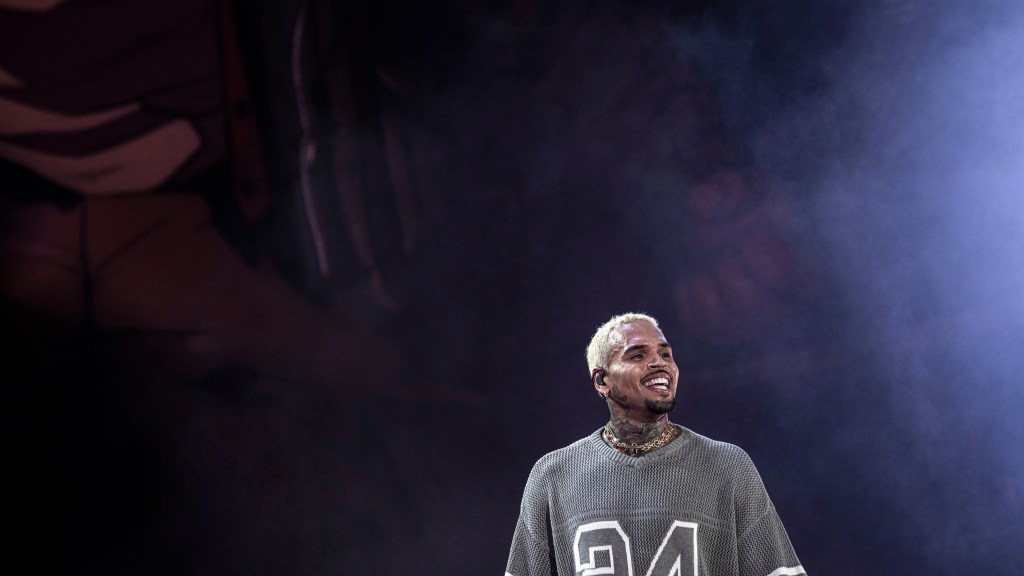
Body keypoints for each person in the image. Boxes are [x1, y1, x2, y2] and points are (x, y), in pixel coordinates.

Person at [504, 312, 806, 576]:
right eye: (638, 356)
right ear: (602, 381)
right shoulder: (553, 475)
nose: (659, 363)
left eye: (666, 355)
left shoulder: (728, 466)